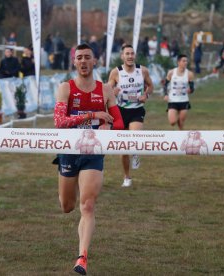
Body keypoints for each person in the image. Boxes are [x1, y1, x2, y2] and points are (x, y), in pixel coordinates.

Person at [53, 43, 124, 275]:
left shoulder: (105, 90)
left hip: (93, 153)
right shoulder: (66, 88)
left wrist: (108, 125)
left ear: (95, 62)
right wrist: (93, 115)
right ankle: (70, 187)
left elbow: (119, 123)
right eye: (79, 57)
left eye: (87, 57)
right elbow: (59, 122)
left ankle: (82, 257)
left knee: (88, 205)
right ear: (74, 62)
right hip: (69, 152)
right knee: (67, 206)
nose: (83, 61)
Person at [108, 44, 154, 187]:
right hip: (121, 111)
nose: (130, 56)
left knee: (134, 136)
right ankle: (127, 177)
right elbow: (108, 88)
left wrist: (146, 94)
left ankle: (136, 152)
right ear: (122, 56)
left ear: (135, 55)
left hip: (136, 110)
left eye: (132, 53)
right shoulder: (116, 72)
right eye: (127, 53)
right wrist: (112, 92)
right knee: (123, 149)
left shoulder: (143, 71)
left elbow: (151, 86)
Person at [163, 54, 195, 130]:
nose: (185, 62)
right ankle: (175, 116)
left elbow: (192, 88)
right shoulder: (171, 72)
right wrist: (166, 95)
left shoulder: (189, 74)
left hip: (184, 100)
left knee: (181, 122)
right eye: (183, 61)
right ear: (178, 62)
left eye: (186, 61)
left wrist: (190, 90)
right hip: (173, 100)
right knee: (172, 122)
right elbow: (165, 85)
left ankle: (181, 136)